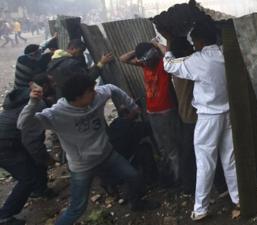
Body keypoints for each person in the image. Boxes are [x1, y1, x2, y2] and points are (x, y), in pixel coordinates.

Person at [17, 74, 160, 225]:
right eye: (90, 91)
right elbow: (23, 125)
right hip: (83, 167)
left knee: (134, 176)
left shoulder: (96, 98)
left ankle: (136, 203)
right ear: (77, 97)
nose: (96, 92)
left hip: (107, 155)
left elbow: (112, 88)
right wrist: (33, 102)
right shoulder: (56, 114)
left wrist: (132, 106)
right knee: (77, 208)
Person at [162, 21, 239, 221]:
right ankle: (238, 198)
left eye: (194, 41)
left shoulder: (198, 60)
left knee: (205, 163)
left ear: (200, 41)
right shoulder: (225, 53)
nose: (193, 44)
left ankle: (201, 208)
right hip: (228, 114)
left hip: (208, 118)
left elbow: (169, 66)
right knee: (229, 159)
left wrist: (169, 44)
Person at [119, 42, 182, 186]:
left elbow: (166, 52)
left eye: (147, 59)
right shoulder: (145, 65)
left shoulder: (163, 64)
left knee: (172, 146)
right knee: (161, 145)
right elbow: (123, 59)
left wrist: (155, 44)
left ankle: (179, 178)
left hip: (166, 111)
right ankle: (171, 174)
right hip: (152, 111)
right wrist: (138, 50)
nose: (146, 62)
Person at [0, 74, 55, 225]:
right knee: (27, 178)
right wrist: (45, 158)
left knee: (33, 163)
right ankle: (4, 216)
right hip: (6, 145)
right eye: (52, 83)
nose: (54, 85)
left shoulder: (23, 96)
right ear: (45, 87)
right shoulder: (37, 104)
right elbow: (33, 141)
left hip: (10, 141)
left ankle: (39, 190)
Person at [47, 39, 113, 98]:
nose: (81, 54)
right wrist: (101, 63)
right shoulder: (72, 63)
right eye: (80, 51)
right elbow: (87, 78)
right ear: (72, 48)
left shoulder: (52, 63)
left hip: (61, 98)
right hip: (76, 98)